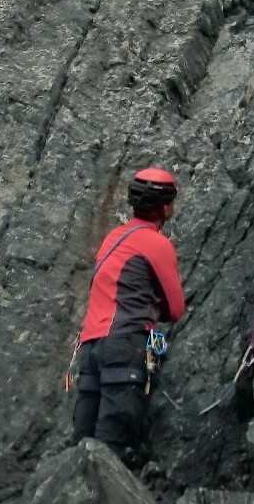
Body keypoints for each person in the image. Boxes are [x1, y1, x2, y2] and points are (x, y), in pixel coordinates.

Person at [71, 166, 185, 464]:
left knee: (82, 446)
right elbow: (175, 309)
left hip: (91, 348)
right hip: (125, 345)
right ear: (166, 207)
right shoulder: (157, 244)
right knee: (111, 449)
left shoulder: (113, 238)